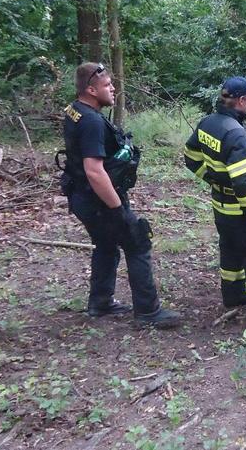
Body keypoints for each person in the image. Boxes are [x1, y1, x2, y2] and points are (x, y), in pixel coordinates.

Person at [61, 62, 181, 329]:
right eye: (106, 85)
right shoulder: (91, 120)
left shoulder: (75, 110)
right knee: (136, 241)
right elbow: (94, 171)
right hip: (97, 199)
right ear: (91, 90)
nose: (113, 88)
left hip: (80, 194)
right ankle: (148, 313)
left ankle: (100, 302)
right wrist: (118, 210)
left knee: (105, 244)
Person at [184, 76, 246, 327]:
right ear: (241, 100)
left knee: (230, 249)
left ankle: (233, 297)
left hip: (220, 206)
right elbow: (242, 183)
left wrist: (214, 181)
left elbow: (191, 157)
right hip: (240, 209)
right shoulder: (236, 134)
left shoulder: (207, 123)